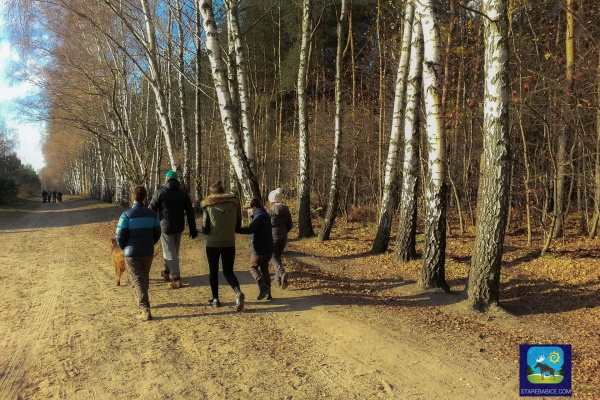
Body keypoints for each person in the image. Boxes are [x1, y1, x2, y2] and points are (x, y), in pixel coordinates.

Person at [115, 185, 161, 321]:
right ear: (145, 197)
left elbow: (119, 235)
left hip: (131, 252)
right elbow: (157, 233)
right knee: (144, 276)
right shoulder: (153, 215)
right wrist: (150, 243)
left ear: (133, 197)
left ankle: (144, 308)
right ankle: (144, 302)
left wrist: (124, 246)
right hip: (147, 250)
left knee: (137, 279)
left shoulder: (126, 215)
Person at [201, 181, 245, 311]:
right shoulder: (234, 205)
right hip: (229, 243)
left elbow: (205, 228)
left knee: (213, 272)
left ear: (211, 193)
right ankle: (237, 292)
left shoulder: (208, 207)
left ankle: (215, 299)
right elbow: (238, 226)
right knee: (228, 271)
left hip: (212, 244)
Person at [150, 170, 198, 288]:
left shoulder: (160, 193)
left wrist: (150, 226)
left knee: (170, 252)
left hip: (165, 227)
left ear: (166, 179)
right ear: (177, 180)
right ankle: (166, 272)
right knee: (173, 251)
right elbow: (190, 212)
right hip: (179, 227)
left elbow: (151, 210)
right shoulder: (183, 194)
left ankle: (176, 278)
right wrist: (192, 228)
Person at [237, 197, 273, 300]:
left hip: (259, 248)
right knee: (264, 267)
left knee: (253, 267)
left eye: (250, 208)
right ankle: (268, 292)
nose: (250, 210)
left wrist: (237, 230)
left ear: (254, 207)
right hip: (269, 248)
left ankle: (262, 287)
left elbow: (250, 229)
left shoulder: (259, 217)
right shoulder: (266, 215)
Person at [267, 188, 293, 290]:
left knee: (272, 256)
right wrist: (284, 232)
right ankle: (278, 280)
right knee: (278, 256)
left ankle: (281, 272)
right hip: (283, 236)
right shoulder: (286, 209)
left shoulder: (269, 210)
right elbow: (290, 224)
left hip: (272, 236)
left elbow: (266, 225)